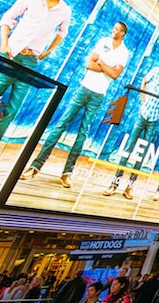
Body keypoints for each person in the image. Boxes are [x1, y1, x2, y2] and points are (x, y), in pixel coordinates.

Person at [0, 0, 71, 176]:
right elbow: (8, 18)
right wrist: (4, 43)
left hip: (30, 61)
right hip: (11, 55)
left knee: (11, 112)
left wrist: (47, 52)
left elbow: (62, 33)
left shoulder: (64, 11)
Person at [23, 21, 129, 187]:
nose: (113, 30)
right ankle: (35, 166)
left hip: (98, 95)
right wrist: (105, 67)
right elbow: (89, 64)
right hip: (83, 88)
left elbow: (115, 74)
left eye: (116, 29)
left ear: (122, 33)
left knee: (83, 133)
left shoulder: (124, 52)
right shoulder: (103, 42)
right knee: (60, 125)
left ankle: (67, 173)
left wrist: (101, 62)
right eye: (113, 27)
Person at [104, 53, 159, 199]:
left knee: (142, 153)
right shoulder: (156, 70)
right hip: (144, 113)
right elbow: (144, 82)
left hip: (155, 117)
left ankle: (129, 187)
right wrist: (143, 99)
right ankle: (114, 183)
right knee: (128, 148)